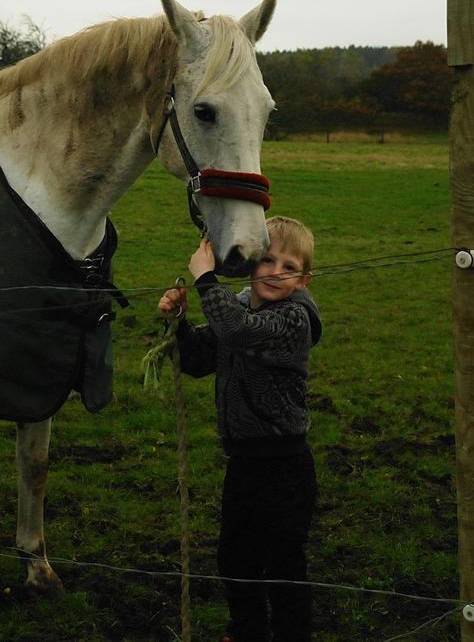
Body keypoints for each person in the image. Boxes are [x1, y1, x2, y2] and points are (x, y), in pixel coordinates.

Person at [158, 216, 323, 642]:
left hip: (286, 465)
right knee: (235, 558)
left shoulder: (293, 320)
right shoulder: (240, 305)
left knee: (283, 564)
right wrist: (178, 321)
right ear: (251, 263)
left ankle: (291, 635)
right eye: (267, 260)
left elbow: (238, 330)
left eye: (288, 266)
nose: (274, 271)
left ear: (303, 280)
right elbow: (198, 360)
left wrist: (205, 278)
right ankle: (247, 632)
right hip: (245, 463)